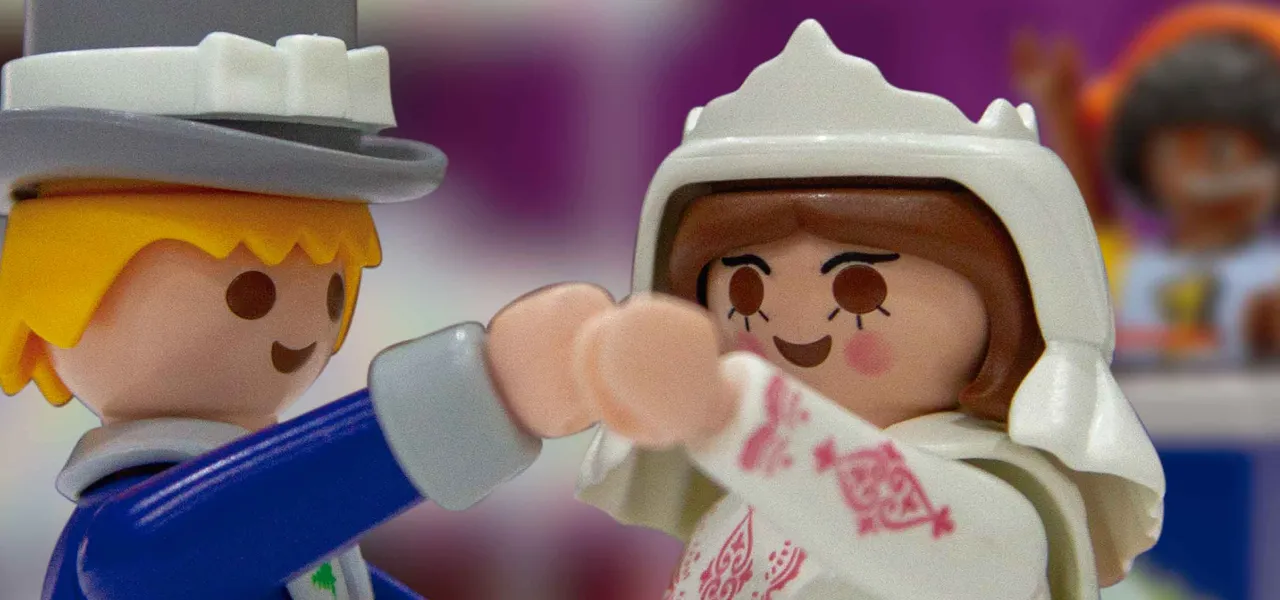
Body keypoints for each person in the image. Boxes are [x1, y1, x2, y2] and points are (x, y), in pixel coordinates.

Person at [496, 20, 1166, 599]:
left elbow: (932, 543)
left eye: (859, 290)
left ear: (1008, 303)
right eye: (747, 290)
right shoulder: (744, 502)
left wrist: (728, 409)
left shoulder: (994, 506)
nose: (793, 324)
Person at [0, 2, 602, 598]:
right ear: (61, 290)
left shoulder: (283, 523)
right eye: (250, 294)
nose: (301, 328)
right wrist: (482, 393)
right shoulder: (123, 541)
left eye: (333, 290)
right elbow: (162, 548)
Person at [1013, 4, 1280, 364]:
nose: (1221, 167)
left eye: (1252, 149)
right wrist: (1062, 114)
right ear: (1144, 156)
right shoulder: (1125, 273)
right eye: (1191, 146)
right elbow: (1087, 228)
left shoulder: (1271, 275)